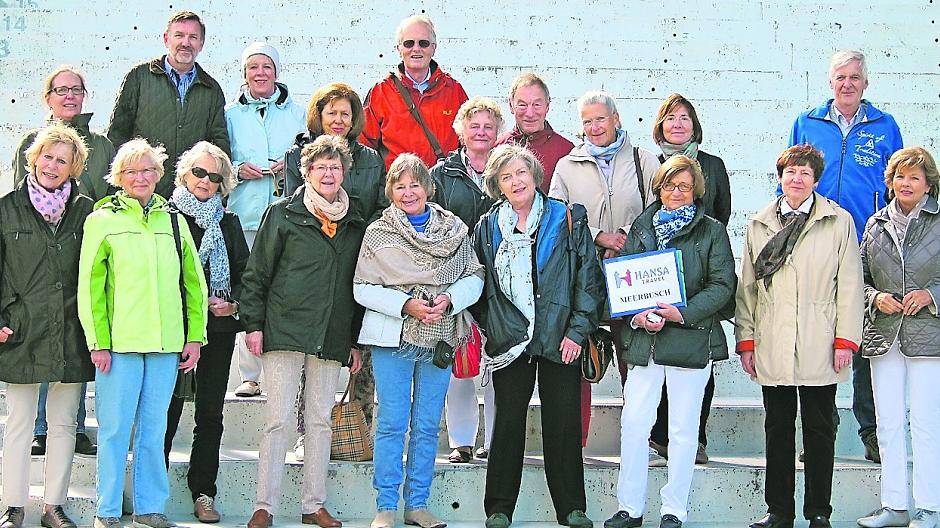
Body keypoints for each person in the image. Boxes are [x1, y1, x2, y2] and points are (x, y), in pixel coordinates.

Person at [78, 139, 209, 528]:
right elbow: (90, 286)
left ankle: (151, 507)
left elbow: (193, 283)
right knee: (116, 430)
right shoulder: (102, 219)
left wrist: (195, 335)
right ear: (119, 177)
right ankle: (108, 509)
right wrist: (98, 341)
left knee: (154, 431)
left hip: (166, 345)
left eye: (149, 170)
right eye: (133, 171)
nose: (141, 177)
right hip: (119, 346)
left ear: (159, 174)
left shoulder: (173, 220)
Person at [735, 145, 864, 528]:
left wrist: (845, 340)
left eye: (805, 173)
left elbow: (851, 285)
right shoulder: (759, 224)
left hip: (819, 339)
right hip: (773, 339)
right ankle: (778, 511)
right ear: (780, 176)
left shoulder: (837, 222)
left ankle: (819, 511)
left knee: (820, 430)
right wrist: (747, 340)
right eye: (790, 172)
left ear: (816, 180)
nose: (797, 179)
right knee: (777, 429)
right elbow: (747, 288)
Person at [474, 145, 603, 528]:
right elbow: (482, 287)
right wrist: (496, 330)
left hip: (560, 337)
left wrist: (578, 332)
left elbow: (587, 280)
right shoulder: (487, 227)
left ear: (535, 174)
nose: (516, 182)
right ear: (497, 185)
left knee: (563, 423)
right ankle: (498, 508)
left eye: (521, 173)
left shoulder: (567, 218)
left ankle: (571, 508)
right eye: (506, 177)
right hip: (510, 343)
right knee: (507, 424)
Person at [605, 155, 736, 528]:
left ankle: (674, 509)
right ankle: (629, 508)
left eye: (683, 186)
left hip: (690, 341)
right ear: (658, 187)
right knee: (634, 424)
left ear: (695, 189)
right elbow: (622, 283)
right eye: (668, 185)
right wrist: (636, 314)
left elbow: (723, 286)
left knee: (682, 429)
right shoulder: (642, 227)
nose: (675, 192)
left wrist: (684, 312)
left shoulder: (711, 231)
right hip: (644, 342)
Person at [354, 153, 484, 528]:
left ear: (428, 187)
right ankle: (386, 507)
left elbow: (474, 275)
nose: (408, 191)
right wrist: (406, 304)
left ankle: (418, 504)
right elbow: (362, 287)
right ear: (390, 191)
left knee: (427, 424)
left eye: (415, 184)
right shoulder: (379, 233)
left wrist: (450, 299)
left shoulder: (455, 230)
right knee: (393, 423)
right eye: (399, 185)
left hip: (441, 337)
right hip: (393, 336)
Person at [241, 135, 364, 528]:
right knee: (277, 420)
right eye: (320, 167)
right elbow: (257, 273)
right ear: (307, 172)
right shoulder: (282, 213)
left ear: (344, 172)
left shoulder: (355, 221)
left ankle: (314, 504)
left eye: (335, 167)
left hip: (330, 333)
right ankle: (265, 505)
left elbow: (358, 286)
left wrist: (355, 340)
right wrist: (254, 325)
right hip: (284, 329)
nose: (328, 174)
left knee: (319, 421)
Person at [788, 50, 903, 462]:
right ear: (830, 81)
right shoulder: (807, 123)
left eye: (855, 77)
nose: (847, 84)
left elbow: (897, 186)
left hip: (867, 244)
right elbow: (790, 179)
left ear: (865, 83)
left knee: (862, 337)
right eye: (840, 77)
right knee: (816, 338)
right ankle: (819, 430)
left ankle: (871, 431)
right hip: (815, 241)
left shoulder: (885, 126)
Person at [548, 90, 661, 464]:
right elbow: (558, 216)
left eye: (601, 119)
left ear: (616, 119)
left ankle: (639, 440)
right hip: (586, 272)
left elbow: (657, 208)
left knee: (635, 358)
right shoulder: (567, 166)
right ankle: (576, 442)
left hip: (633, 273)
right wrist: (598, 236)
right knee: (582, 354)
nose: (595, 127)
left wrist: (626, 236)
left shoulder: (644, 160)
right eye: (587, 121)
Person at [10, 64, 114, 457]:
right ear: (48, 97)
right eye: (61, 90)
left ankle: (75, 425)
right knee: (40, 337)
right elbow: (21, 198)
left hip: (81, 254)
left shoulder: (102, 145)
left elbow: (106, 198)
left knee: (77, 339)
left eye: (76, 90)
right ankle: (39, 427)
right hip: (37, 257)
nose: (69, 96)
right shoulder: (29, 142)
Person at [283, 81, 388, 460]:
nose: (339, 120)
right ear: (319, 115)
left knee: (365, 348)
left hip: (361, 258)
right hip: (315, 259)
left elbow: (380, 205)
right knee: (311, 350)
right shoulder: (300, 154)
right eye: (332, 113)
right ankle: (304, 432)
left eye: (346, 113)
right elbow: (293, 206)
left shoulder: (371, 159)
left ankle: (360, 425)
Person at [0, 124, 94, 528]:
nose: (53, 166)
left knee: (63, 423)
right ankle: (13, 505)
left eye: (63, 160)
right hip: (21, 329)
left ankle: (53, 505)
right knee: (20, 422)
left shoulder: (87, 210)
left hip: (72, 329)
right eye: (48, 156)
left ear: (74, 168)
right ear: (33, 158)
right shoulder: (6, 208)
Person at [162, 142, 250, 523]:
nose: (205, 181)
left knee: (210, 412)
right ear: (184, 174)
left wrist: (233, 305)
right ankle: (153, 490)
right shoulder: (165, 218)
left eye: (214, 176)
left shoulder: (227, 223)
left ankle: (204, 492)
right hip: (173, 328)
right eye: (199, 172)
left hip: (218, 327)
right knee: (165, 410)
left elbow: (247, 276)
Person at [647, 93, 733, 466]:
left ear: (694, 124)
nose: (678, 124)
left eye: (684, 117)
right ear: (661, 126)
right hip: (656, 278)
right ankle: (660, 436)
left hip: (699, 280)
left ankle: (696, 437)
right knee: (658, 361)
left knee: (699, 360)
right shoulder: (650, 163)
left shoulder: (713, 166)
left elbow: (722, 215)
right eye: (670, 118)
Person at [857, 147, 940, 528]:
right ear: (890, 182)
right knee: (888, 422)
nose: (906, 184)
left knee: (926, 423)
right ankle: (894, 506)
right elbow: (860, 280)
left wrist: (931, 295)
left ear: (928, 185)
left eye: (915, 178)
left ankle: (929, 507)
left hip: (928, 336)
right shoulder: (874, 225)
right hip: (884, 335)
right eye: (900, 177)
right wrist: (876, 298)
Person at [225, 41, 306, 399]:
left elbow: (309, 158)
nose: (260, 73)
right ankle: (249, 373)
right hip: (244, 212)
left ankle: (280, 366)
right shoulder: (230, 115)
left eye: (267, 67)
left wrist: (286, 168)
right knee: (248, 290)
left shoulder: (297, 113)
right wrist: (237, 170)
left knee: (281, 289)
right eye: (253, 67)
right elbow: (219, 159)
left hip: (285, 214)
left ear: (277, 72)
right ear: (244, 74)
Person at [430, 96, 502, 463]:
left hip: (500, 281)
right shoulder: (442, 174)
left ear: (499, 132)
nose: (481, 132)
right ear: (460, 130)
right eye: (474, 125)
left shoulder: (509, 169)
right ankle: (462, 441)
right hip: (454, 277)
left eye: (489, 126)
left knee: (495, 359)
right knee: (459, 358)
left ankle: (494, 438)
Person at [107, 10, 229, 198]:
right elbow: (117, 135)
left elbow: (219, 145)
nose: (185, 43)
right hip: (143, 192)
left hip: (190, 197)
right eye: (179, 35)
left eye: (193, 37)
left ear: (201, 44)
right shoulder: (139, 77)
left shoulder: (212, 89)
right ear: (166, 39)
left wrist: (220, 193)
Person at [361, 14, 468, 170]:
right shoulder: (381, 92)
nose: (416, 49)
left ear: (433, 48)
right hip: (398, 190)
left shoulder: (454, 91)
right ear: (399, 49)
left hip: (444, 188)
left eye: (423, 43)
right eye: (409, 43)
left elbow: (470, 142)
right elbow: (365, 146)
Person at [496, 72, 574, 192]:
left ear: (547, 106)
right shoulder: (499, 147)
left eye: (537, 105)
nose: (530, 113)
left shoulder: (566, 151)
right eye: (522, 105)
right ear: (511, 106)